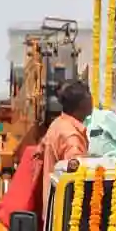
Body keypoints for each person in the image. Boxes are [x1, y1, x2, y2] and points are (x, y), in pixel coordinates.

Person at [36, 80, 92, 219]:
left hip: (54, 208)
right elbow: (78, 178)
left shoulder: (58, 124)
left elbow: (40, 150)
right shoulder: (71, 138)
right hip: (66, 216)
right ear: (82, 104)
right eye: (89, 96)